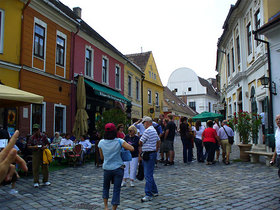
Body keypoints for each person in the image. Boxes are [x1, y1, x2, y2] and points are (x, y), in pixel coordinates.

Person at [98, 123, 134, 210]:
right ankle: (114, 208)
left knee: (105, 187)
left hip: (107, 168)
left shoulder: (101, 142)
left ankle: (106, 207)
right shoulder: (119, 141)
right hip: (118, 168)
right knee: (116, 189)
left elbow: (102, 157)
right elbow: (132, 148)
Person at [139, 116, 160, 202]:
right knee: (149, 173)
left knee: (148, 175)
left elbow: (140, 142)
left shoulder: (147, 131)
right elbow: (158, 140)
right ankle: (154, 191)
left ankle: (148, 194)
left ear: (147, 122)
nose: (143, 125)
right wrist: (156, 149)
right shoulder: (154, 130)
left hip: (148, 153)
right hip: (152, 153)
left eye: (144, 123)